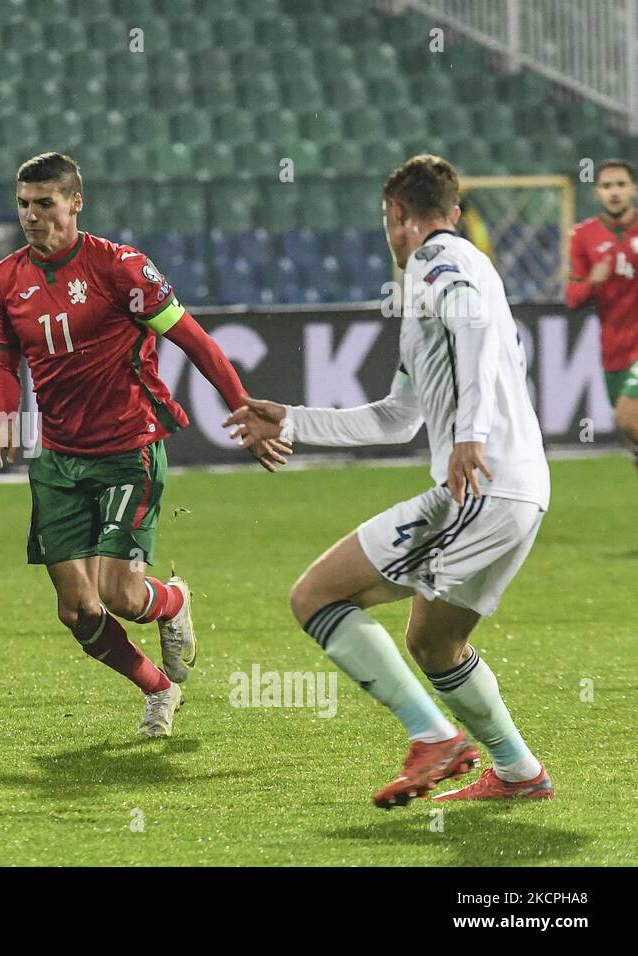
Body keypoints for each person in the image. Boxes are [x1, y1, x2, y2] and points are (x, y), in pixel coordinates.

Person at [227, 155, 553, 804]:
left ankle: (434, 737)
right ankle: (519, 773)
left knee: (316, 596)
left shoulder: (439, 261)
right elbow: (396, 417)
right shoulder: (454, 276)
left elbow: (475, 328)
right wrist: (293, 419)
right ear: (453, 210)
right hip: (515, 490)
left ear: (397, 215)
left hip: (481, 487)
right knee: (435, 643)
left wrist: (469, 435)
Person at [0, 152, 289, 739]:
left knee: (119, 594)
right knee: (76, 609)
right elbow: (3, 363)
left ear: (76, 203)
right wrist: (1, 420)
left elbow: (194, 340)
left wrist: (241, 405)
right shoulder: (3, 280)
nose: (31, 216)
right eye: (23, 204)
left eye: (44, 204)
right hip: (58, 460)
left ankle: (171, 601)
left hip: (129, 450)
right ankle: (158, 688)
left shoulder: (121, 268)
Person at [565, 158, 638, 461]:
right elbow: (572, 298)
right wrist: (593, 282)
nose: (615, 192)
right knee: (632, 434)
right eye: (607, 186)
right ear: (596, 193)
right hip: (614, 351)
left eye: (621, 184)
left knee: (628, 417)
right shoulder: (583, 236)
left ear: (632, 189)